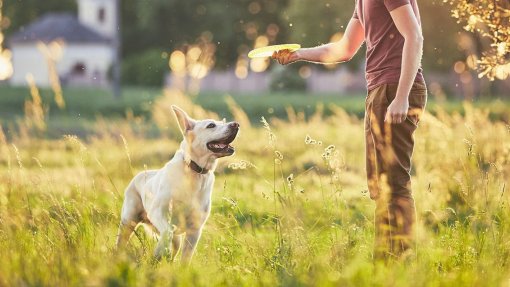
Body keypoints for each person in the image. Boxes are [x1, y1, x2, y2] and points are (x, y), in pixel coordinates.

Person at [272, 0, 427, 260]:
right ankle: (385, 260)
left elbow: (415, 36)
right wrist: (298, 54)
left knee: (395, 183)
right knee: (379, 184)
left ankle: (401, 262)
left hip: (394, 88)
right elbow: (344, 49)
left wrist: (401, 97)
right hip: (380, 90)